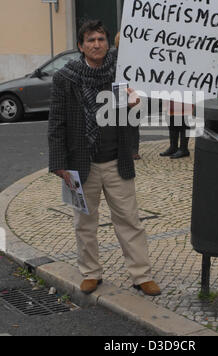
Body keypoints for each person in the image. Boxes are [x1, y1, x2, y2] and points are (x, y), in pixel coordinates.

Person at [48, 19, 161, 297]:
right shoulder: (66, 78)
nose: (96, 44)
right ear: (80, 46)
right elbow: (57, 122)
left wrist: (137, 106)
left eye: (101, 39)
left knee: (129, 220)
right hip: (80, 164)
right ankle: (90, 273)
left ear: (108, 43)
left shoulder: (121, 74)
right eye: (90, 40)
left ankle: (141, 275)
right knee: (84, 223)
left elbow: (132, 117)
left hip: (116, 161)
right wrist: (59, 164)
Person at [114, 31, 141, 160]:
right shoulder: (113, 56)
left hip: (133, 90)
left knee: (133, 122)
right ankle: (125, 149)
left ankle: (134, 150)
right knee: (121, 121)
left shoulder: (135, 55)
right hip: (119, 90)